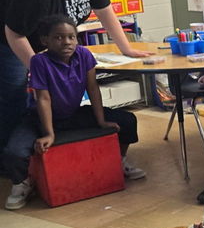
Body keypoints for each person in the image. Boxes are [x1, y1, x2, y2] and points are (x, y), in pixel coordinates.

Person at [0, 0, 150, 150]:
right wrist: (40, 69)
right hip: (7, 36)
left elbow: (103, 9)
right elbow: (13, 32)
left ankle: (45, 153)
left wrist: (126, 47)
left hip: (39, 36)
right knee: (14, 96)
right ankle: (10, 160)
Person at [3, 14, 145, 210]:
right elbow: (43, 99)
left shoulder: (83, 55)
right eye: (58, 37)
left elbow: (92, 88)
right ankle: (22, 184)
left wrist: (101, 121)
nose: (66, 42)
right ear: (45, 40)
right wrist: (49, 133)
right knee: (14, 152)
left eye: (71, 37)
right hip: (39, 119)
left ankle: (120, 162)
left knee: (127, 120)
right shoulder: (39, 62)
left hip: (73, 114)